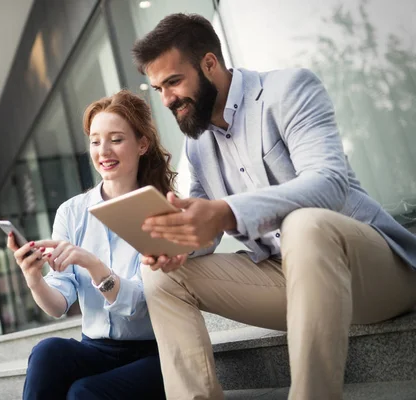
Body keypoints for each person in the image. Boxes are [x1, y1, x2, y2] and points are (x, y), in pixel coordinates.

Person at [130, 13, 416, 400]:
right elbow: (202, 228)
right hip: (289, 283)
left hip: (372, 273)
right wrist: (175, 242)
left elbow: (329, 183)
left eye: (174, 82)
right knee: (159, 278)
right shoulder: (198, 146)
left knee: (304, 224)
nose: (166, 99)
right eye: (158, 88)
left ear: (210, 64)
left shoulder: (289, 89)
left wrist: (225, 212)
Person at [8, 89, 173, 399]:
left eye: (116, 139)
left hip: (154, 353)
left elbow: (137, 305)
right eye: (95, 141)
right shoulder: (71, 212)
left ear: (142, 143)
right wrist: (33, 278)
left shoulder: (160, 211)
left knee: (84, 393)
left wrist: (91, 263)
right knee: (47, 352)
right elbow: (58, 306)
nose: (103, 151)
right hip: (96, 348)